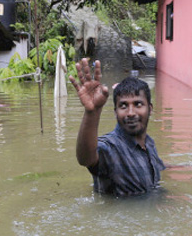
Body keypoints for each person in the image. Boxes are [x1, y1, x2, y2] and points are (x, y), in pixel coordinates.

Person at [70, 58, 165, 197]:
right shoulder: (111, 148)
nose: (131, 113)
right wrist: (92, 113)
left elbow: (156, 165)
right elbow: (86, 158)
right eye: (123, 106)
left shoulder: (149, 143)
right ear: (115, 112)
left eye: (138, 104)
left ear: (150, 109)